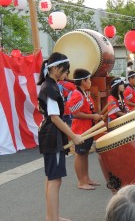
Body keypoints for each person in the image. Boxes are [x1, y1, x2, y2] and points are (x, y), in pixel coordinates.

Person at [37, 52, 83, 221]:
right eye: (65, 70)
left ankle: (52, 216)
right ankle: (53, 218)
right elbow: (55, 117)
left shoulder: (51, 85)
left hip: (51, 135)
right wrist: (74, 136)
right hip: (52, 136)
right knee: (55, 180)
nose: (66, 74)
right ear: (55, 68)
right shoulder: (50, 87)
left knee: (52, 179)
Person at [66, 68, 103, 190]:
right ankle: (81, 181)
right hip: (81, 130)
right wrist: (93, 116)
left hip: (88, 128)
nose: (91, 82)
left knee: (85, 154)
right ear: (83, 81)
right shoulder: (77, 94)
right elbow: (74, 113)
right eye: (89, 79)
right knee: (79, 154)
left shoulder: (84, 93)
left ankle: (86, 178)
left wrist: (96, 116)